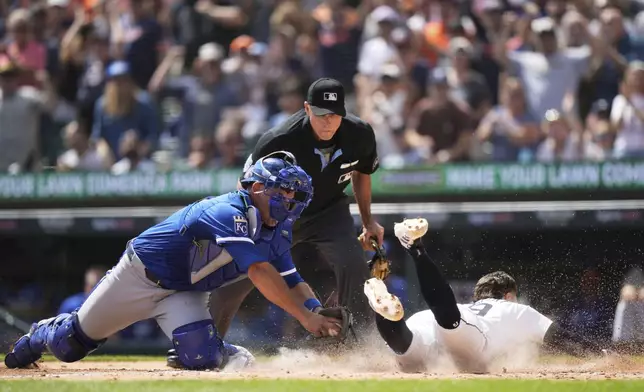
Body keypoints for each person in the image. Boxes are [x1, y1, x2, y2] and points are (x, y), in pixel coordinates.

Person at [5, 152, 341, 371]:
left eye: (293, 195)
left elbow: (292, 279)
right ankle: (41, 333)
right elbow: (259, 271)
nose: (289, 200)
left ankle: (223, 351)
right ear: (256, 187)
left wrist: (315, 310)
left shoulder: (277, 229)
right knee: (69, 346)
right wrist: (304, 318)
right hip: (140, 276)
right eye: (282, 192)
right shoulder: (229, 210)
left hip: (186, 291)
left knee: (203, 358)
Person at [183, 78, 383, 351]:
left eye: (335, 115)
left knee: (353, 264)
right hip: (280, 214)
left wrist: (368, 220)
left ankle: (360, 348)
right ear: (307, 109)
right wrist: (252, 230)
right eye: (322, 114)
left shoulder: (359, 134)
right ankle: (204, 347)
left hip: (329, 212)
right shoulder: (280, 139)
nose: (328, 122)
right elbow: (246, 185)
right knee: (237, 278)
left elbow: (362, 174)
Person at [365, 218, 610, 373]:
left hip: (430, 320)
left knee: (405, 347)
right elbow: (562, 338)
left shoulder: (474, 307)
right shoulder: (514, 309)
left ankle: (382, 299)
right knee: (450, 323)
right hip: (464, 331)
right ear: (508, 296)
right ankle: (415, 249)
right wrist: (603, 355)